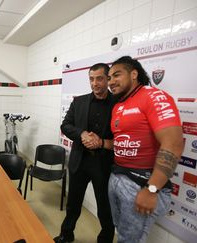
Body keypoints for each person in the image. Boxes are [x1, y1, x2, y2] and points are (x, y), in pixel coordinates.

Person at [107, 56, 183, 242]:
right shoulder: (118, 105)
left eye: (117, 75)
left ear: (134, 74)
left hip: (141, 182)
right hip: (117, 176)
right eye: (109, 77)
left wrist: (152, 189)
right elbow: (122, 140)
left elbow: (173, 144)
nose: (111, 82)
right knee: (121, 232)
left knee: (130, 240)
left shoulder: (153, 96)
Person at [55, 63, 116, 243]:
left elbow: (122, 136)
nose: (95, 83)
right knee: (73, 203)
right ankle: (66, 235)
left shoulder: (119, 104)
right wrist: (81, 134)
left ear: (108, 79)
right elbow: (65, 125)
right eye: (91, 79)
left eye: (99, 78)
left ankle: (105, 239)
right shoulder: (79, 101)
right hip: (79, 161)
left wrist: (101, 143)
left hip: (103, 164)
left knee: (105, 208)